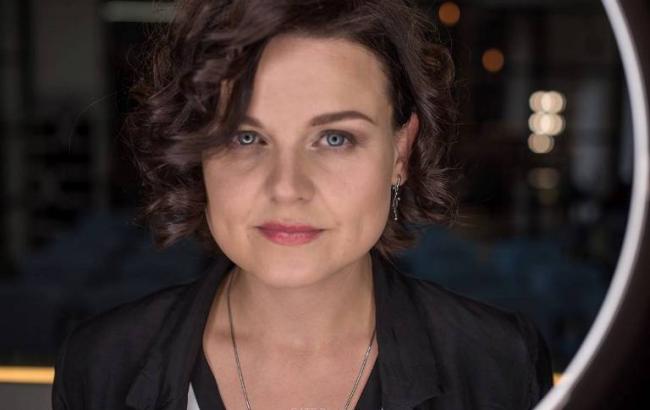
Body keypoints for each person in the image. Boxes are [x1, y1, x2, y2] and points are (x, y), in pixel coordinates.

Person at [52, 0, 554, 409]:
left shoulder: (500, 364)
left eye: (335, 138)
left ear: (400, 154)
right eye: (245, 137)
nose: (287, 188)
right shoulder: (102, 365)